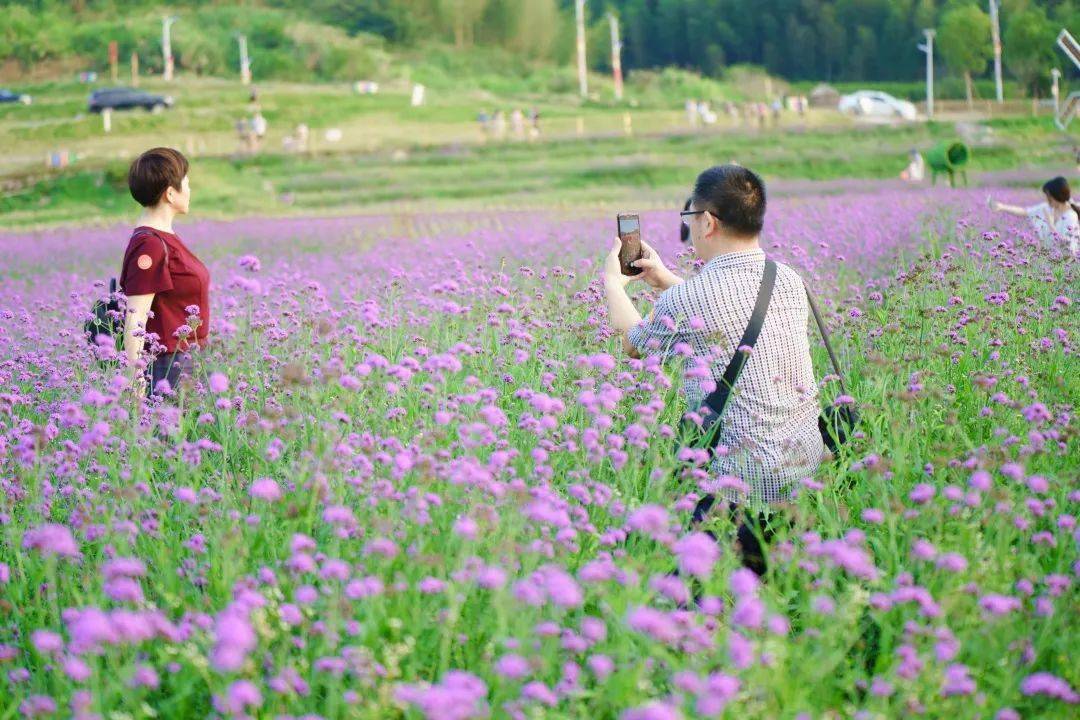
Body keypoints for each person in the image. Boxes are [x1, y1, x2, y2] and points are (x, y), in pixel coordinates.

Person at [602, 165, 824, 574]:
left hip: (740, 486)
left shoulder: (692, 298)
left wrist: (614, 286)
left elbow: (634, 345)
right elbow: (726, 313)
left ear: (707, 222)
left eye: (690, 218)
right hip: (806, 475)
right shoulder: (789, 279)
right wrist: (666, 279)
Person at [120, 147, 210, 397]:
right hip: (166, 367)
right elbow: (135, 318)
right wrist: (136, 382)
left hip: (183, 361)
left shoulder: (164, 238)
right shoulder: (150, 245)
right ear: (170, 193)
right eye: (187, 184)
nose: (190, 190)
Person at [989, 176, 1080, 256]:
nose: (1046, 198)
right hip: (1050, 259)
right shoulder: (1048, 208)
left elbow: (1069, 248)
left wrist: (1051, 226)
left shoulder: (1071, 216)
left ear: (1056, 195)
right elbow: (1025, 211)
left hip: (1065, 263)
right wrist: (1001, 207)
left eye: (1048, 195)